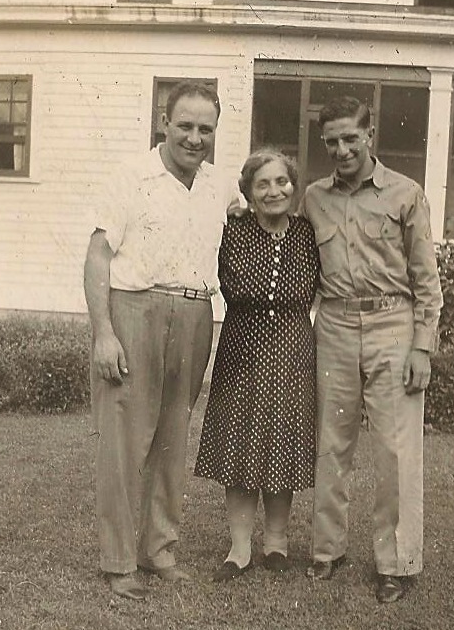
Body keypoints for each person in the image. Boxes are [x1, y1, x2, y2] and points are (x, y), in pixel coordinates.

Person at [84, 81, 239, 601]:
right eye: (185, 126)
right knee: (125, 441)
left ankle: (159, 550)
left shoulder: (219, 186)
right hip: (135, 310)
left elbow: (253, 211)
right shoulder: (132, 177)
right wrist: (104, 333)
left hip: (196, 312)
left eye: (205, 129)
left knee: (173, 438)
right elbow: (98, 257)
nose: (195, 138)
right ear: (164, 122)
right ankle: (118, 560)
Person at [299, 96, 442, 603]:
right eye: (331, 142)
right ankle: (327, 550)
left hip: (392, 323)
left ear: (369, 135)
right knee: (331, 442)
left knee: (396, 449)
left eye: (350, 139)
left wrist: (422, 347)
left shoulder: (405, 193)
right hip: (335, 323)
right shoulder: (314, 197)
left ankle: (395, 562)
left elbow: (426, 279)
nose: (341, 150)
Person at [194, 149, 320, 582]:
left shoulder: (306, 233)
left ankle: (277, 542)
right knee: (240, 444)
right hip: (243, 352)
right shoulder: (233, 230)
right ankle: (240, 547)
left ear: (294, 186)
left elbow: (309, 287)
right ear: (248, 192)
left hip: (292, 352)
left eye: (281, 182)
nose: (273, 191)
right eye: (262, 184)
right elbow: (238, 286)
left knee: (282, 442)